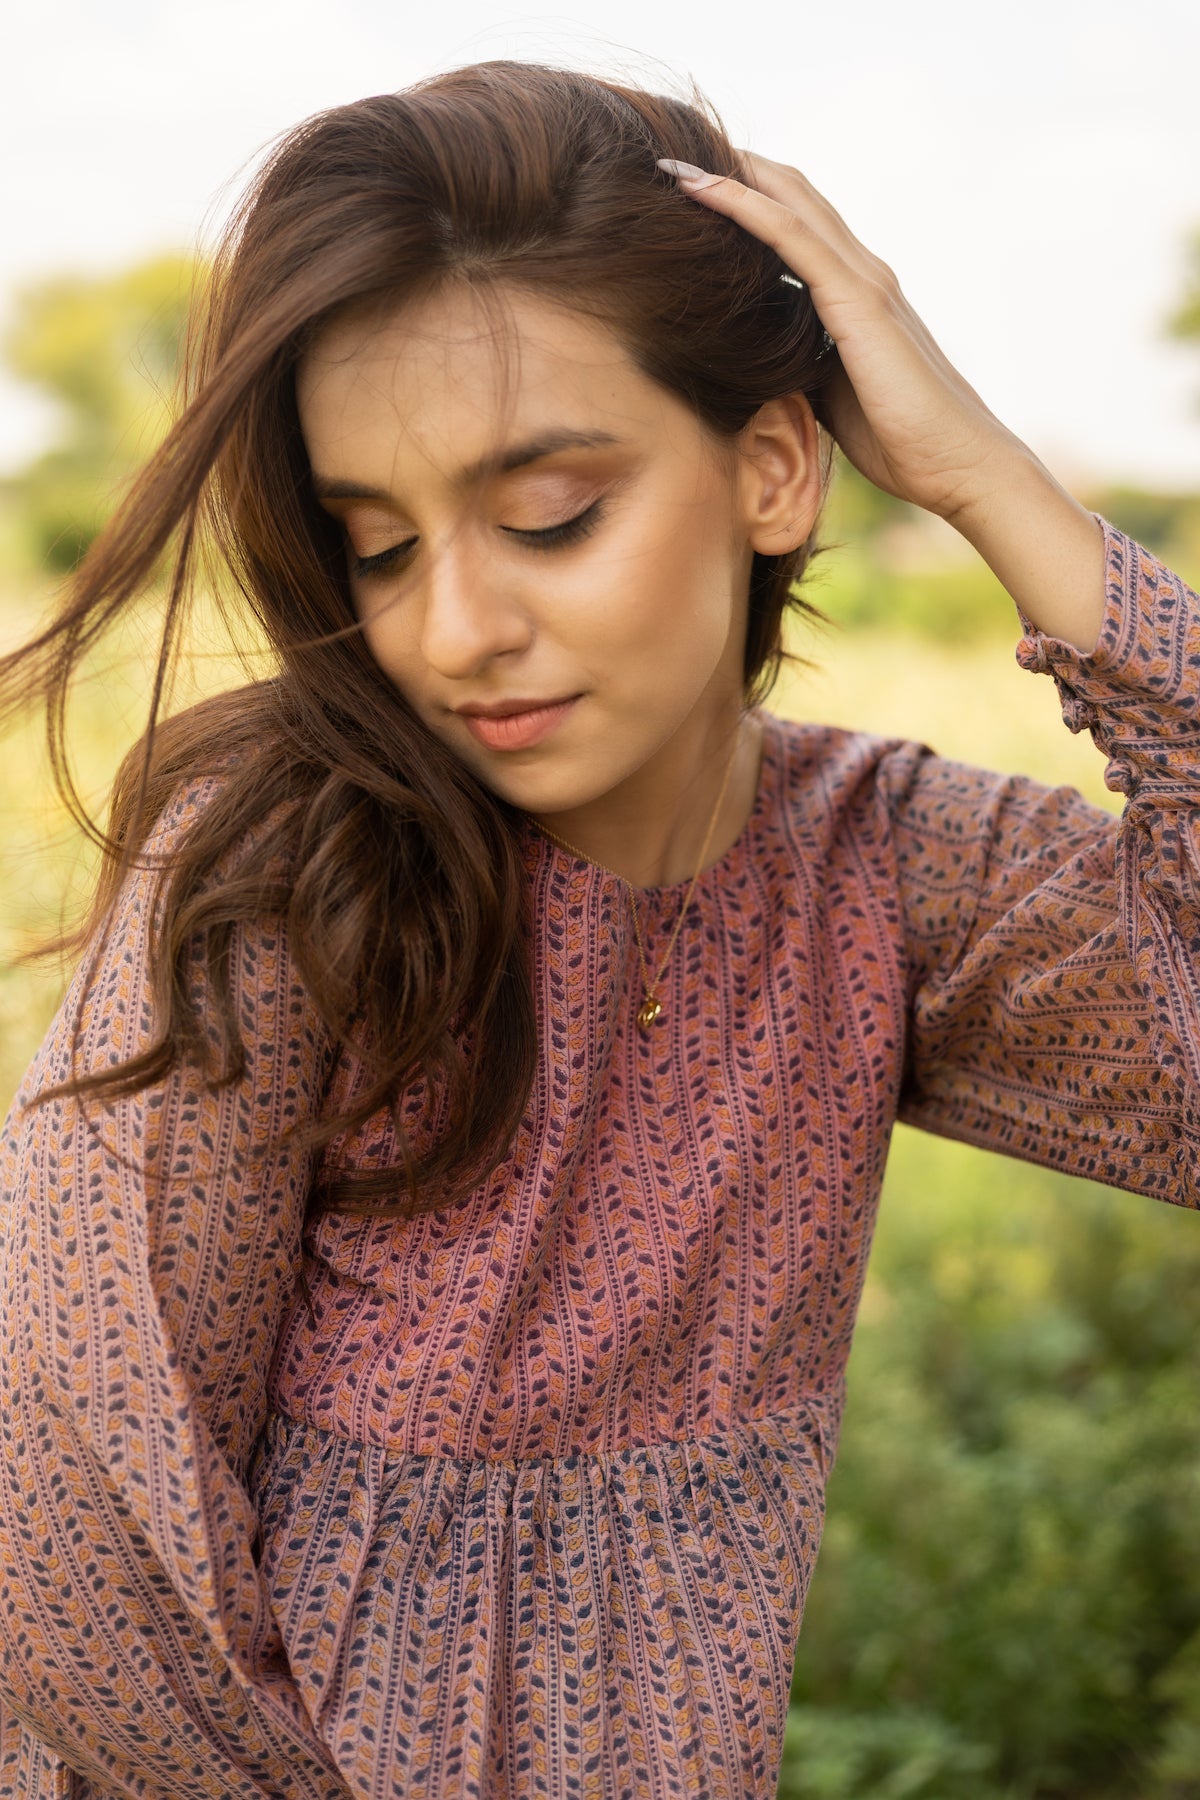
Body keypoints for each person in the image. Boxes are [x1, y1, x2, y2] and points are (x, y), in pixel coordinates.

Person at [0, 57, 1196, 1800]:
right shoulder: (287, 871)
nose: (458, 627)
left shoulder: (883, 873)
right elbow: (66, 1497)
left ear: (775, 469)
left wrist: (997, 489)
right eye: (382, 549)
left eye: (550, 516)